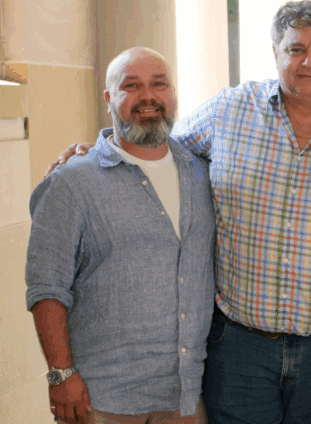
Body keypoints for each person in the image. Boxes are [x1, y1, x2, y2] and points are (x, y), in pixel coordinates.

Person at [48, 0, 311, 423]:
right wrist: (96, 153)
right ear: (275, 52)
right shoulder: (229, 111)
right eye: (295, 49)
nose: (309, 61)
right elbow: (157, 151)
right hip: (238, 349)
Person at [26, 47, 216, 424]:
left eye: (159, 84)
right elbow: (46, 287)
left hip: (185, 395)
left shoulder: (203, 173)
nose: (148, 96)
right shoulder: (71, 183)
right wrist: (60, 375)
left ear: (173, 93)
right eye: (131, 86)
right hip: (101, 397)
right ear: (109, 98)